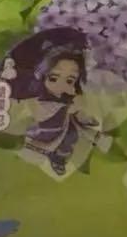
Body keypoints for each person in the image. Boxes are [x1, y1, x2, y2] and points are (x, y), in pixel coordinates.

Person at [24, 47, 99, 176]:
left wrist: (79, 110)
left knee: (71, 136)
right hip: (45, 130)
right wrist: (67, 108)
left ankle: (59, 157)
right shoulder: (37, 97)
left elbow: (77, 110)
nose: (61, 85)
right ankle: (55, 156)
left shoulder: (68, 95)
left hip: (64, 127)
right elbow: (40, 114)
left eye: (70, 80)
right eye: (53, 78)